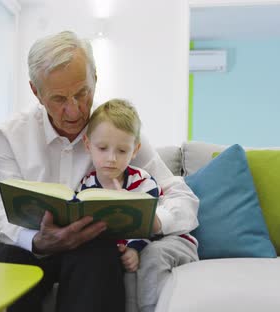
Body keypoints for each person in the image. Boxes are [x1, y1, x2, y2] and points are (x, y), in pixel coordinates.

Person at [0, 30, 199, 312]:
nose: (74, 111)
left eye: (83, 93)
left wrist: (155, 220)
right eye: (59, 99)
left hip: (90, 253)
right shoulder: (12, 134)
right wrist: (38, 241)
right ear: (36, 91)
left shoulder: (115, 134)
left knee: (98, 256)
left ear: (95, 77)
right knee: (3, 264)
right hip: (28, 249)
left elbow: (182, 197)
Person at [78, 99, 198, 311]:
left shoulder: (142, 180)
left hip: (170, 239)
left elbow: (144, 223)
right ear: (88, 145)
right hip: (128, 244)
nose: (111, 158)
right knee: (121, 265)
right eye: (102, 148)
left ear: (135, 151)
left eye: (122, 151)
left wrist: (134, 246)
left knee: (147, 258)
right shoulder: (86, 185)